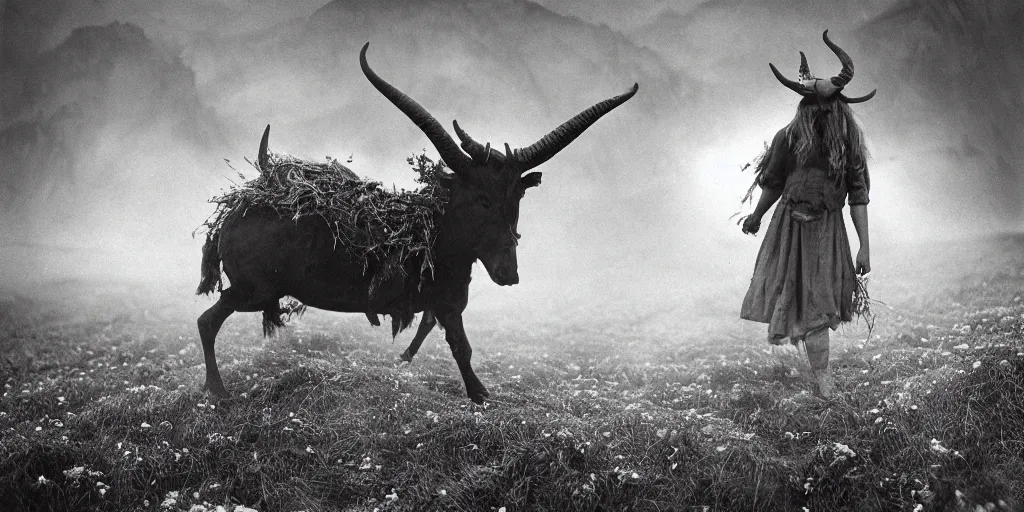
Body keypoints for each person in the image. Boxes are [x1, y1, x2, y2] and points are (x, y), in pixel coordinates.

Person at [740, 30, 876, 399]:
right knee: (795, 298)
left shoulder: (848, 142)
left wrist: (864, 247)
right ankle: (819, 376)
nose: (819, 113)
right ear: (805, 107)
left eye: (825, 108)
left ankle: (823, 381)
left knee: (817, 302)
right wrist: (756, 215)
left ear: (837, 108)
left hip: (826, 228)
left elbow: (858, 198)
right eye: (813, 107)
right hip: (789, 226)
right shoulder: (789, 136)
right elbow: (774, 181)